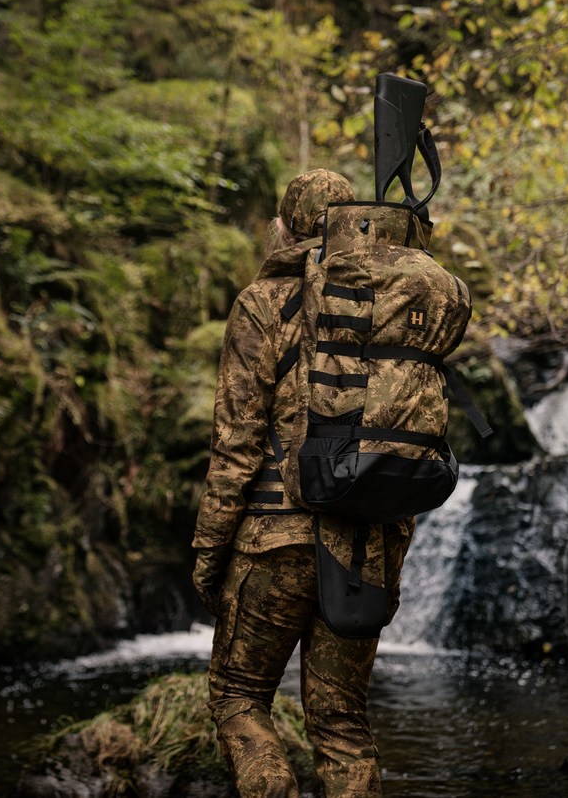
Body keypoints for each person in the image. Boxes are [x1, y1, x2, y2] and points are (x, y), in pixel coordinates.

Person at [193, 169, 414, 798]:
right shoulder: (389, 303)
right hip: (363, 542)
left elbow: (234, 446)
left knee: (239, 700)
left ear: (284, 227)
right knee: (343, 724)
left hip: (274, 540)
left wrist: (209, 553)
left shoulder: (261, 305)